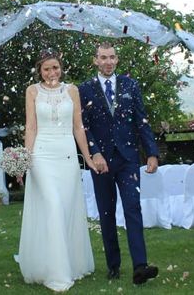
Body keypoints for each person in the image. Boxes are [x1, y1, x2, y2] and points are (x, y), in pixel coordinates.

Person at [79, 42, 160, 285]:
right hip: (101, 162)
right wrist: (94, 153)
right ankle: (113, 265)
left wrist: (152, 153)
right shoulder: (85, 89)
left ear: (117, 60)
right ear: (95, 60)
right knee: (107, 214)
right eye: (103, 57)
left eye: (112, 57)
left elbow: (142, 121)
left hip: (128, 159)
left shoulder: (130, 85)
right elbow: (83, 126)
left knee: (133, 209)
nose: (108, 62)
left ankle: (140, 266)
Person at [17, 51, 96, 291]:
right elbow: (31, 127)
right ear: (39, 71)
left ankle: (66, 263)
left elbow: (78, 127)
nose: (52, 73)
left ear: (61, 69)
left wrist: (88, 158)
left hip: (67, 155)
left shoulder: (71, 90)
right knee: (51, 204)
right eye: (47, 69)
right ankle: (57, 273)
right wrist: (24, 160)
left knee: (64, 208)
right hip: (41, 153)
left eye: (55, 68)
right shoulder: (32, 91)